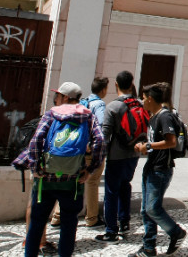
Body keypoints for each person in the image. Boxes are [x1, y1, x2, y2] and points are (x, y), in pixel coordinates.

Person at [23, 82, 105, 257]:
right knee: (69, 225)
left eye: (58, 95)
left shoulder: (51, 114)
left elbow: (36, 141)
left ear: (65, 97)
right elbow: (100, 142)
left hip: (46, 180)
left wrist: (36, 167)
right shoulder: (88, 116)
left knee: (37, 223)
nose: (56, 98)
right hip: (73, 180)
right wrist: (90, 169)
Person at [130, 82, 187, 257]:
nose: (142, 100)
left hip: (161, 168)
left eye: (144, 97)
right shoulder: (153, 117)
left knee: (153, 208)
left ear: (151, 99)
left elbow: (172, 142)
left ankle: (176, 232)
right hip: (151, 166)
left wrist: (147, 145)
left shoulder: (164, 117)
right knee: (146, 209)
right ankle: (148, 247)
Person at [97, 71, 147, 243]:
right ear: (132, 84)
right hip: (134, 153)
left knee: (111, 191)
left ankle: (111, 231)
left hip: (116, 155)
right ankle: (125, 222)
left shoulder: (112, 106)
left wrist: (99, 156)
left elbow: (104, 135)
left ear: (116, 84)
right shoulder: (140, 104)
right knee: (126, 185)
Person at [82, 77, 109, 227]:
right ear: (103, 89)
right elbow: (102, 127)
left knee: (74, 180)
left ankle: (57, 217)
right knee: (92, 182)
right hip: (92, 149)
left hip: (79, 148)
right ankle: (92, 217)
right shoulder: (99, 104)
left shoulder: (84, 102)